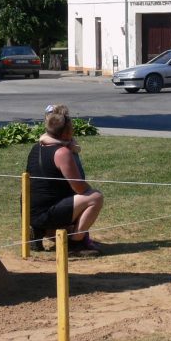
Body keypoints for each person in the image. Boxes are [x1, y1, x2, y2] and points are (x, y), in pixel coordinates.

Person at [27, 105, 103, 255]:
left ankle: (41, 231)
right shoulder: (62, 153)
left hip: (32, 212)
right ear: (66, 132)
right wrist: (89, 192)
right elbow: (80, 188)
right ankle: (76, 245)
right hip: (45, 214)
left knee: (69, 218)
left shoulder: (37, 147)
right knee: (95, 197)